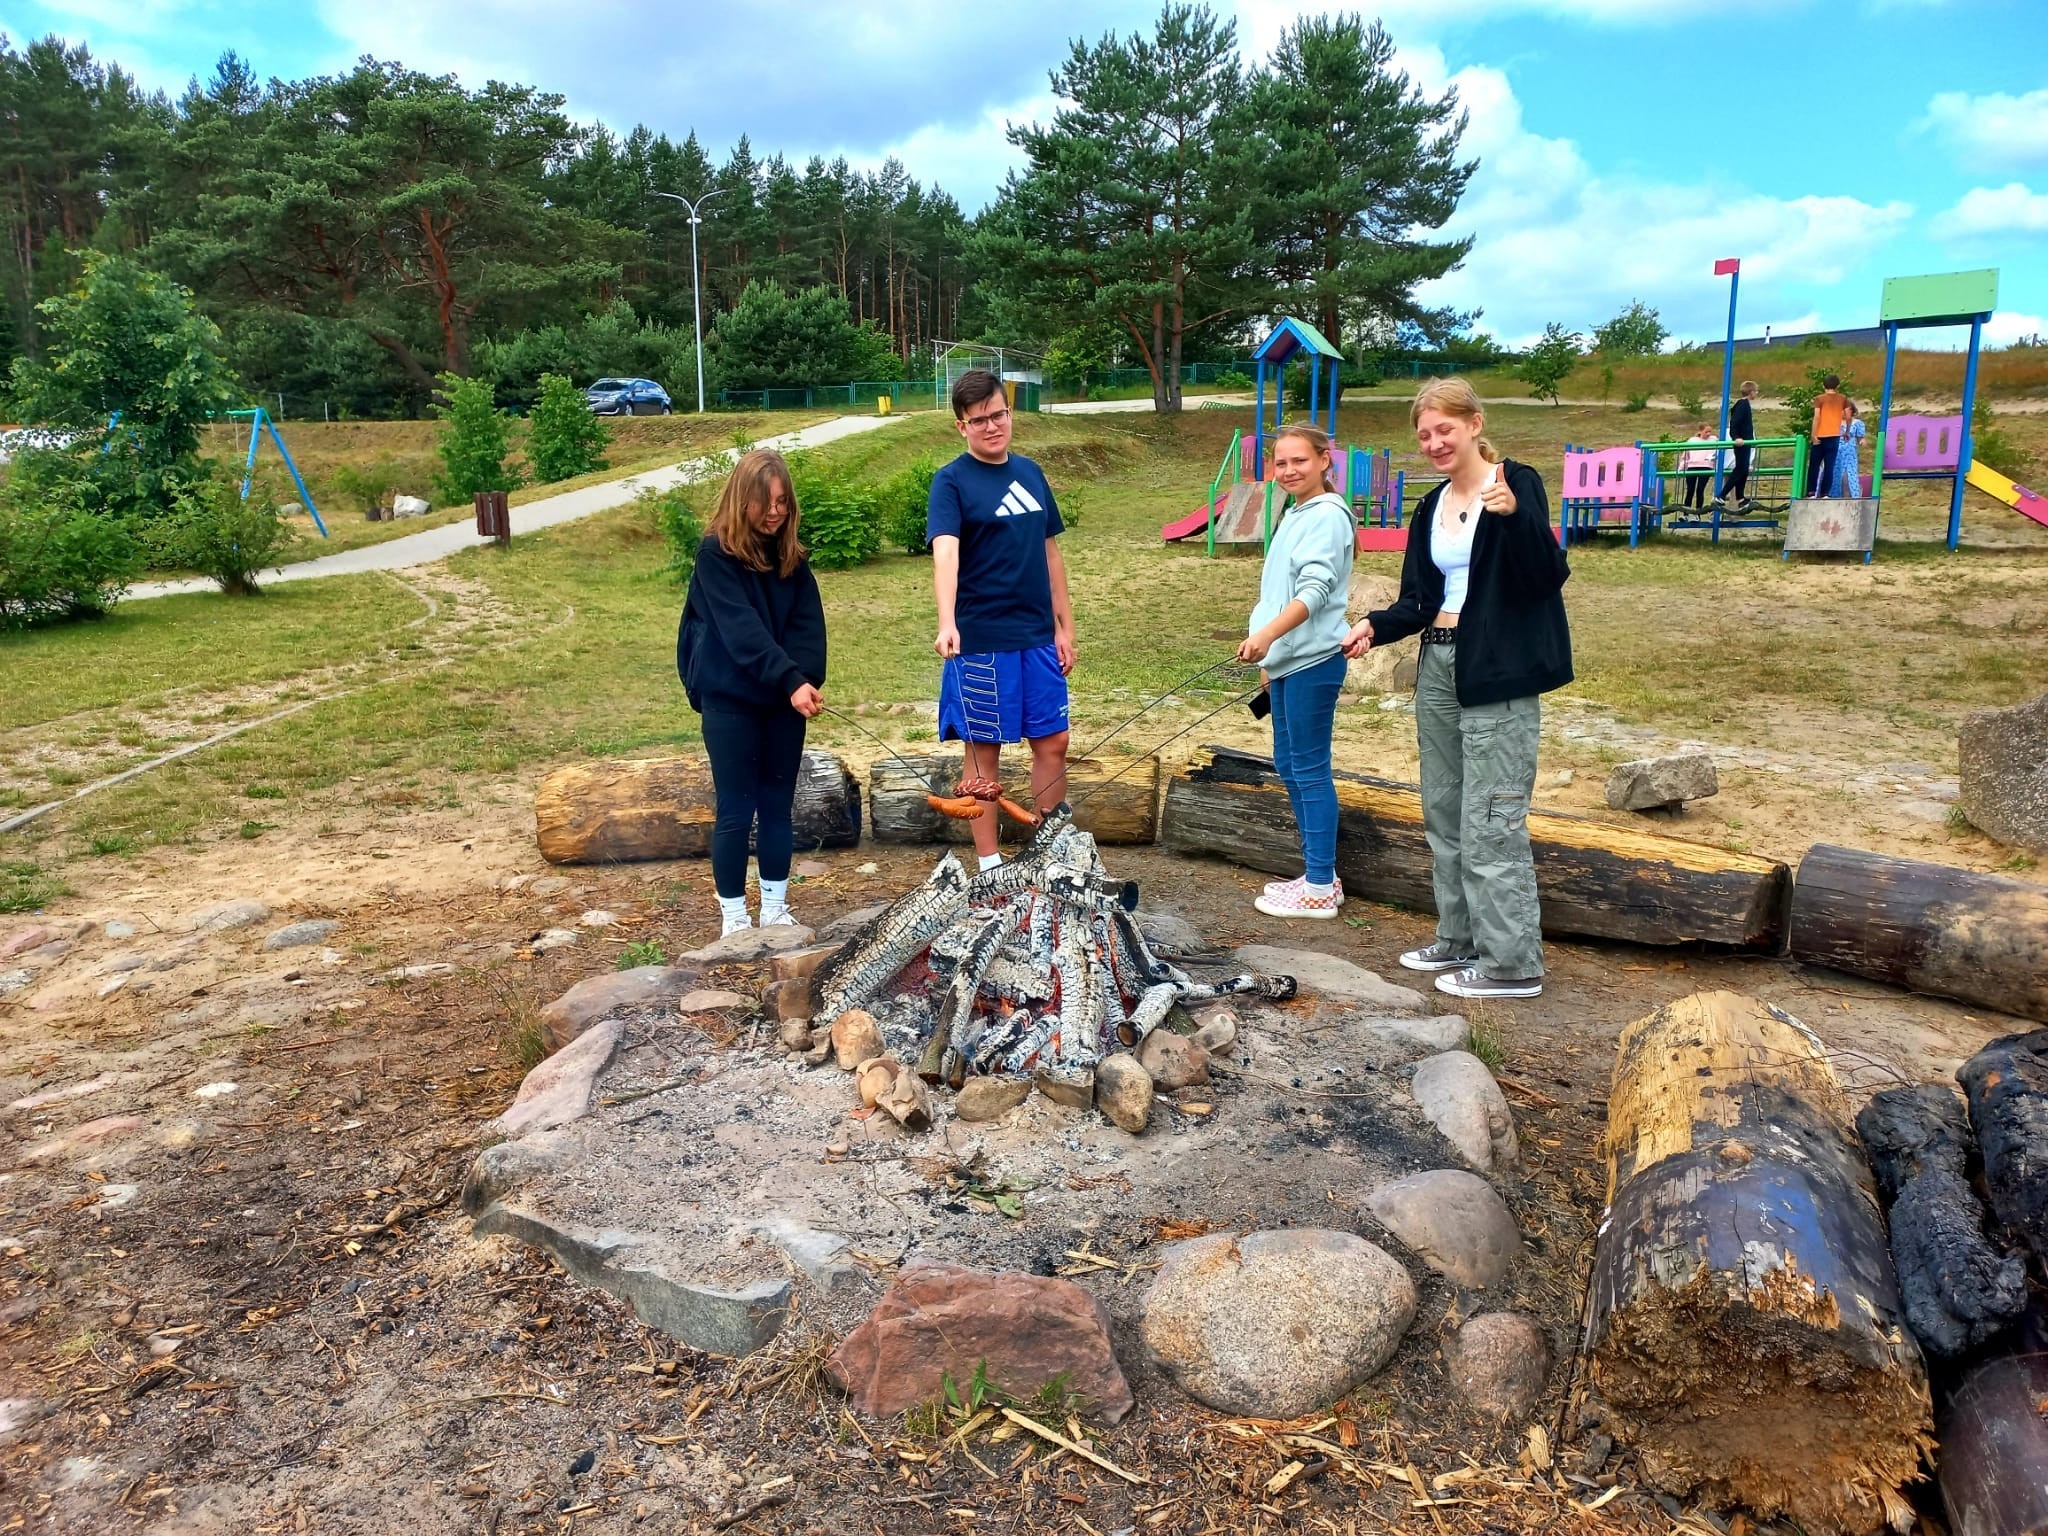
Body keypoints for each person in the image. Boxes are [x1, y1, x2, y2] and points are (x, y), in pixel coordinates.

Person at [1343, 378, 1572, 1000]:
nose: (1435, 442)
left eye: (1445, 428)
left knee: (1492, 817)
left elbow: (1548, 575)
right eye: (1424, 434)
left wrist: (1515, 518)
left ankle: (1512, 965)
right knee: (1444, 811)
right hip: (1439, 662)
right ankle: (1459, 937)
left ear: (1474, 424)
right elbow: (1421, 598)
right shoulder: (1430, 507)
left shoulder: (1515, 483)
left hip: (1497, 668)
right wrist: (1374, 626)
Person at [927, 369, 1075, 871]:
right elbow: (946, 554)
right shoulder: (951, 482)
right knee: (983, 754)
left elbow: (1050, 554)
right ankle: (990, 866)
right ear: (961, 427)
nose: (992, 426)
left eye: (999, 414)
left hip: (1037, 636)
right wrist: (947, 621)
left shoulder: (1031, 473)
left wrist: (1064, 627)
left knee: (1053, 741)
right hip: (982, 640)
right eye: (979, 420)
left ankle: (1048, 856)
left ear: (1009, 413)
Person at [676, 449, 827, 937]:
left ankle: (775, 909)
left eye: (783, 502)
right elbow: (741, 631)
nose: (775, 513)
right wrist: (790, 680)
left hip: (783, 703)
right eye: (766, 503)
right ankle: (735, 918)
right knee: (736, 808)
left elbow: (808, 629)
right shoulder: (714, 555)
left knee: (778, 806)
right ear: (743, 501)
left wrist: (806, 680)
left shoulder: (792, 560)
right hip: (730, 701)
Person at [1235, 424, 1355, 919]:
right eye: (1280, 463)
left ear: (1325, 460)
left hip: (1313, 660)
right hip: (1287, 661)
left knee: (1309, 768)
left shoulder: (1327, 515)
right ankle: (1316, 873)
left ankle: (1321, 885)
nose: (1288, 471)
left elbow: (1315, 591)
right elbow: (1277, 593)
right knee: (1288, 764)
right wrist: (1270, 658)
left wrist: (1267, 637)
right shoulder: (1296, 511)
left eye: (1299, 461)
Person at [1715, 380, 1758, 510]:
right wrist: (1736, 437)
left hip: (1746, 441)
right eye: (1756, 391)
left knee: (1744, 469)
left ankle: (1740, 498)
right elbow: (1734, 422)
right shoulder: (1742, 404)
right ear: (1751, 392)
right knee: (1740, 468)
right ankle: (1721, 495)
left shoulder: (1745, 404)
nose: (1757, 393)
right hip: (1742, 442)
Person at [1806, 373, 1847, 498]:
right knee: (1829, 466)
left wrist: (1813, 434)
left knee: (1814, 465)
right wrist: (1847, 430)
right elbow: (1846, 415)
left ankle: (1811, 491)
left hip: (1820, 435)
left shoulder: (1819, 399)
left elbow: (1817, 417)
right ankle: (1825, 493)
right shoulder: (1842, 399)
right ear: (1838, 386)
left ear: (1823, 385)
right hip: (1834, 435)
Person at [1678, 423, 1717, 511]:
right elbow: (1686, 455)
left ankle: (1698, 512)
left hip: (1706, 467)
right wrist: (1681, 468)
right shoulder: (1692, 440)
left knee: (1700, 490)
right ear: (1700, 431)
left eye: (1710, 432)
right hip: (1692, 466)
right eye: (1706, 432)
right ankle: (1686, 512)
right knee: (1690, 490)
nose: (1708, 434)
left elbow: (1717, 453)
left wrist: (1714, 464)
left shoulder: (1714, 440)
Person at [1833, 399, 1865, 498]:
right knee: (1835, 472)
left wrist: (1862, 441)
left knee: (1850, 473)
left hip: (1850, 452)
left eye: (1845, 409)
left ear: (1851, 410)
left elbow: (1860, 437)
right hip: (1836, 451)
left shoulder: (1857, 423)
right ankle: (1834, 495)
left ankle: (1853, 495)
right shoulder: (1835, 422)